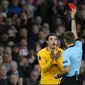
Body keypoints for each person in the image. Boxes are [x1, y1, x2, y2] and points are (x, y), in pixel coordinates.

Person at [54, 9, 82, 85]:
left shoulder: (66, 52)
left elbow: (67, 70)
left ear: (65, 41)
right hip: (78, 78)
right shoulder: (79, 46)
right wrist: (73, 17)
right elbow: (74, 32)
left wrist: (58, 75)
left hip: (69, 80)